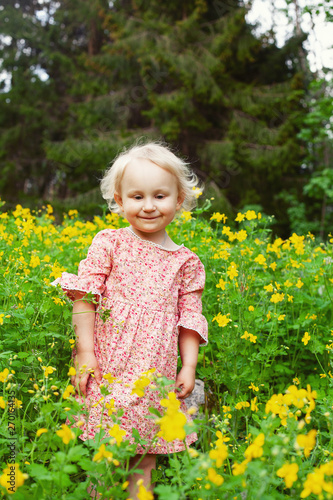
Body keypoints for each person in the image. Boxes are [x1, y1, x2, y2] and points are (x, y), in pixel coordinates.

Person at [53, 141, 208, 499]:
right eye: (137, 197)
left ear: (180, 199)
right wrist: (86, 352)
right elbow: (85, 299)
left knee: (145, 457)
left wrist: (189, 367)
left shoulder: (186, 263)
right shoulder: (110, 243)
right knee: (107, 454)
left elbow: (189, 320)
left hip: (156, 375)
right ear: (119, 201)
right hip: (110, 367)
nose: (149, 206)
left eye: (160, 196)